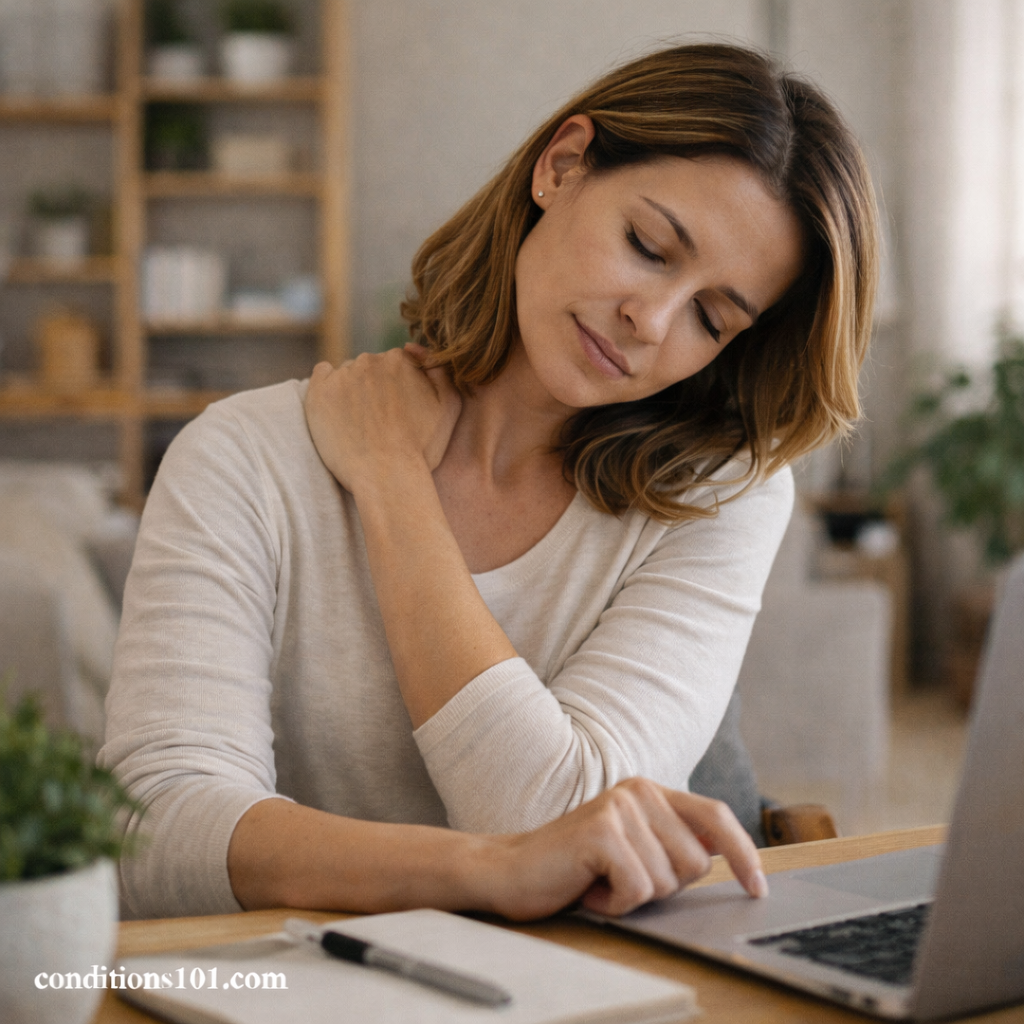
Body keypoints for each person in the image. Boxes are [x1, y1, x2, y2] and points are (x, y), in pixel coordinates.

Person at [100, 42, 877, 921]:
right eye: (648, 246)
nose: (650, 321)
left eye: (711, 317)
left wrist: (393, 486)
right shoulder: (244, 456)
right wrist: (487, 871)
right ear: (562, 165)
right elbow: (151, 831)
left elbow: (566, 826)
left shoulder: (717, 494)